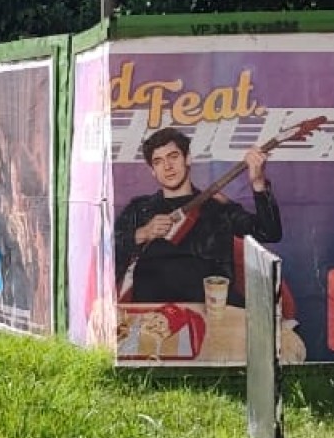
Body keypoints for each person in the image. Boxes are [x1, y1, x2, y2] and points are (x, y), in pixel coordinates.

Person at [113, 127, 282, 305]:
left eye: (173, 156)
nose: (168, 166)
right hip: (151, 314)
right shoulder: (139, 208)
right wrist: (143, 233)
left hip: (211, 311)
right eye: (158, 161)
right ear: (152, 170)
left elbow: (269, 232)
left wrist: (258, 182)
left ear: (188, 159)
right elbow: (107, 254)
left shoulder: (216, 205)